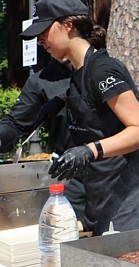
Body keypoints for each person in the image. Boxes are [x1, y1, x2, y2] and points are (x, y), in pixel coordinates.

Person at [19, 0, 139, 236]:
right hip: (104, 197)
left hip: (133, 200)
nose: (39, 40)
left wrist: (88, 150)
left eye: (44, 32)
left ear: (68, 25)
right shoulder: (77, 76)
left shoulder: (102, 69)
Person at [0, 59, 89, 229]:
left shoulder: (104, 69)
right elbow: (15, 124)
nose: (42, 42)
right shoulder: (40, 80)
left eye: (45, 34)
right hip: (71, 180)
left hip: (115, 179)